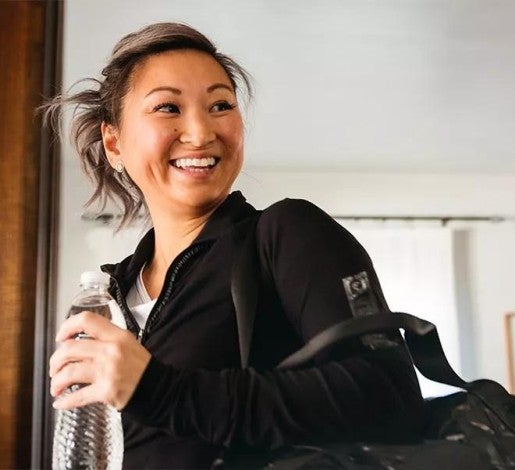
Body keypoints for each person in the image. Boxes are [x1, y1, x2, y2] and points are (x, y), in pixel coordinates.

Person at [45, 22, 423, 468]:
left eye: (220, 104)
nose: (202, 132)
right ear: (114, 143)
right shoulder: (109, 296)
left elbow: (389, 398)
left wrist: (158, 390)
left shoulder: (287, 235)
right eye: (168, 107)